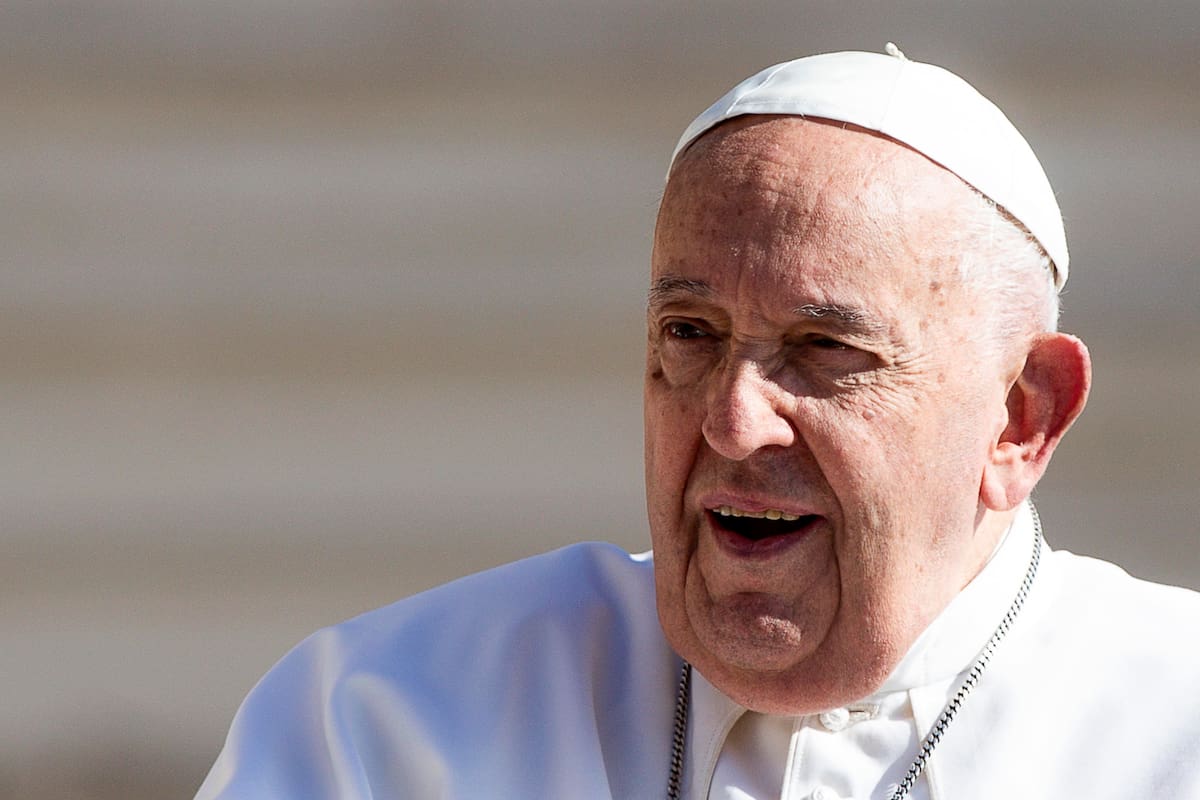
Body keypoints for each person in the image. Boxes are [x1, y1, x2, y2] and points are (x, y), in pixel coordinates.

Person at [195, 46, 1200, 800]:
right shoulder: (385, 715)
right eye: (692, 332)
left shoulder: (1174, 726)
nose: (733, 419)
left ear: (1022, 418)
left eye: (824, 349)